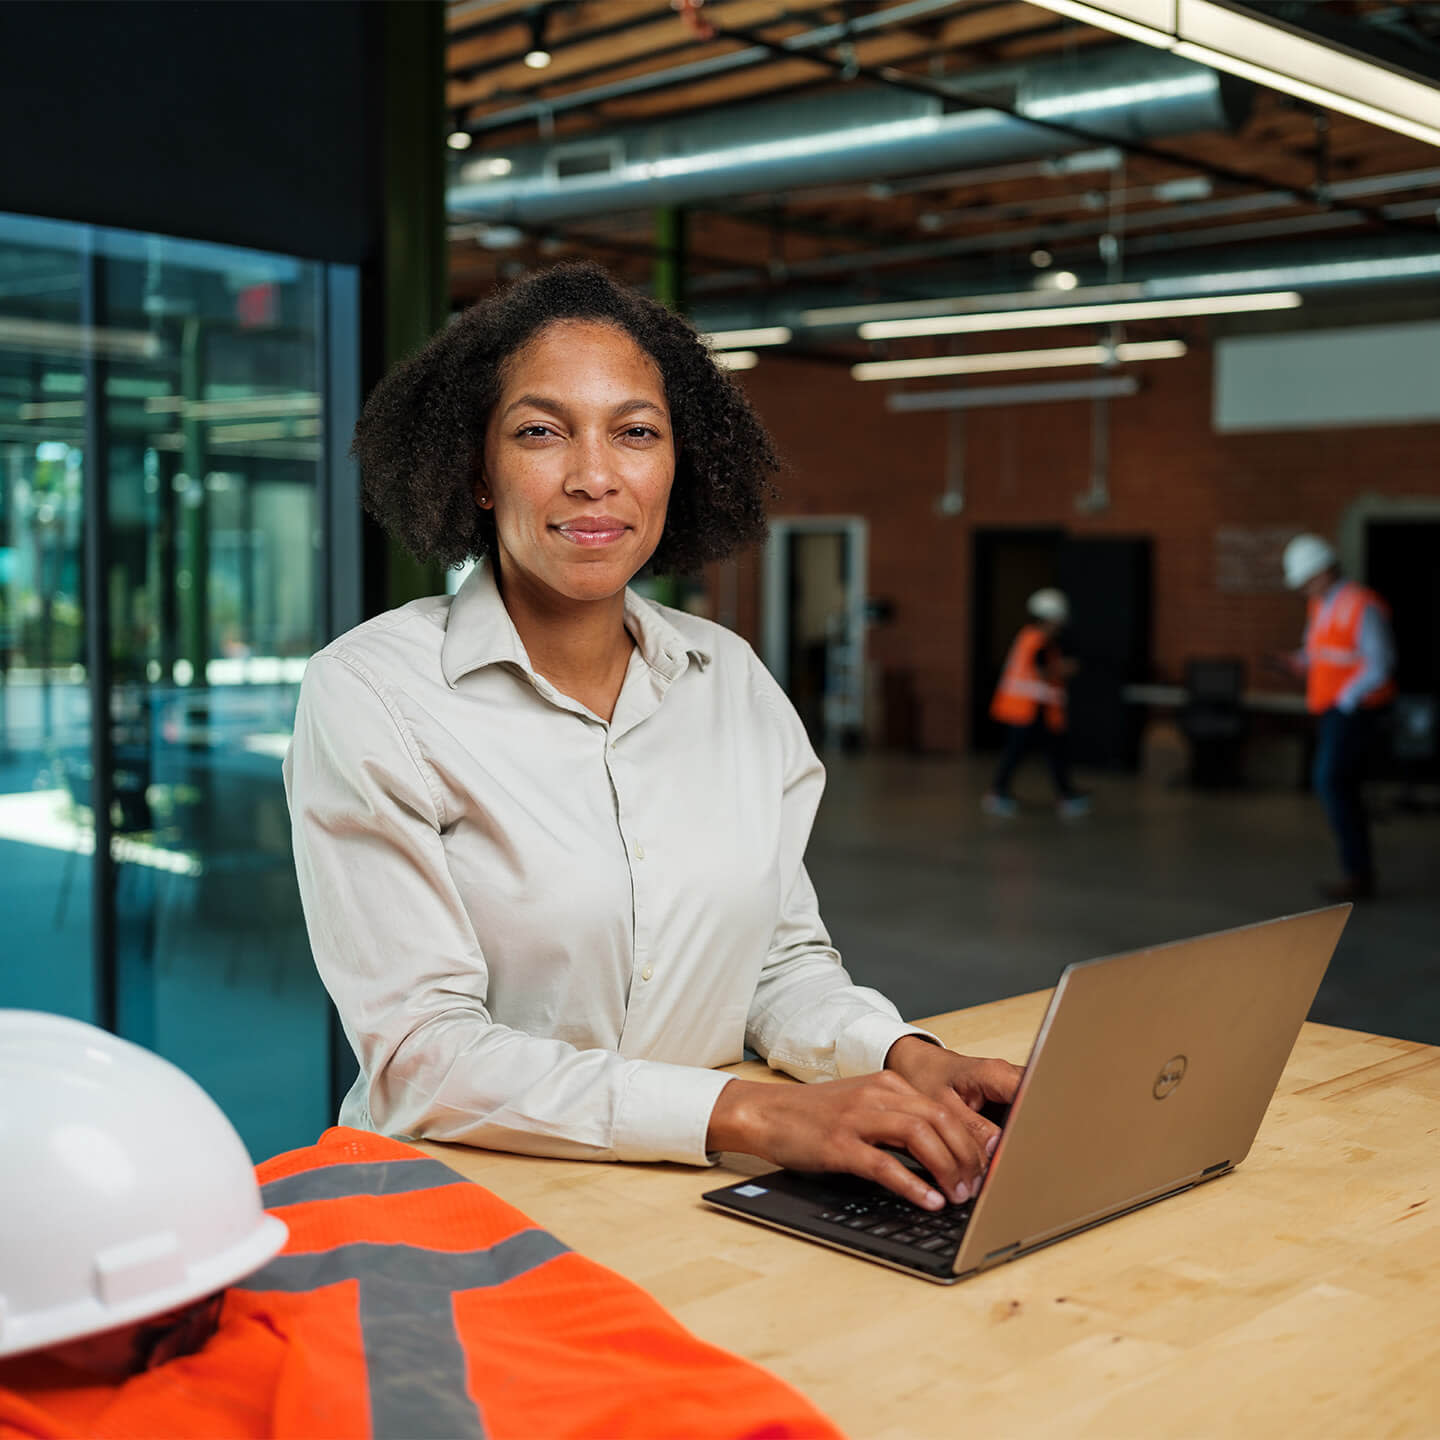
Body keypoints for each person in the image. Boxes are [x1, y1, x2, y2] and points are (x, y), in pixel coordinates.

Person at [283, 262, 1020, 1217]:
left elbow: (779, 966)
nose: (595, 476)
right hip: (462, 1220)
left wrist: (908, 1061)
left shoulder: (733, 685)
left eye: (636, 432)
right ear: (475, 468)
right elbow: (424, 1054)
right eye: (541, 432)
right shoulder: (373, 692)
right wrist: (754, 1114)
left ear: (680, 464)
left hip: (688, 1209)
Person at [0, 1011, 843, 1438]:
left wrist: (893, 1046)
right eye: (152, 1333)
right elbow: (424, 1044)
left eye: (182, 1320)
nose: (176, 1337)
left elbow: (787, 948)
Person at [1278, 533, 1396, 901]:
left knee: (1331, 781)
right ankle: (1357, 869)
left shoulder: (1361, 605)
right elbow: (1320, 652)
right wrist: (1298, 661)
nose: (1305, 589)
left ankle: (1358, 872)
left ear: (1327, 570)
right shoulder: (1320, 606)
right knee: (1338, 785)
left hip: (1352, 711)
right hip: (1331, 711)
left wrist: (1345, 699)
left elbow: (1381, 663)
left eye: (1309, 579)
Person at [982, 588, 1090, 819]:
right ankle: (999, 792)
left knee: (1052, 752)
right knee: (1020, 752)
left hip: (1035, 710)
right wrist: (1066, 668)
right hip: (1027, 710)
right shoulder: (1037, 641)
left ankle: (1066, 794)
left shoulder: (1033, 638)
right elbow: (1041, 672)